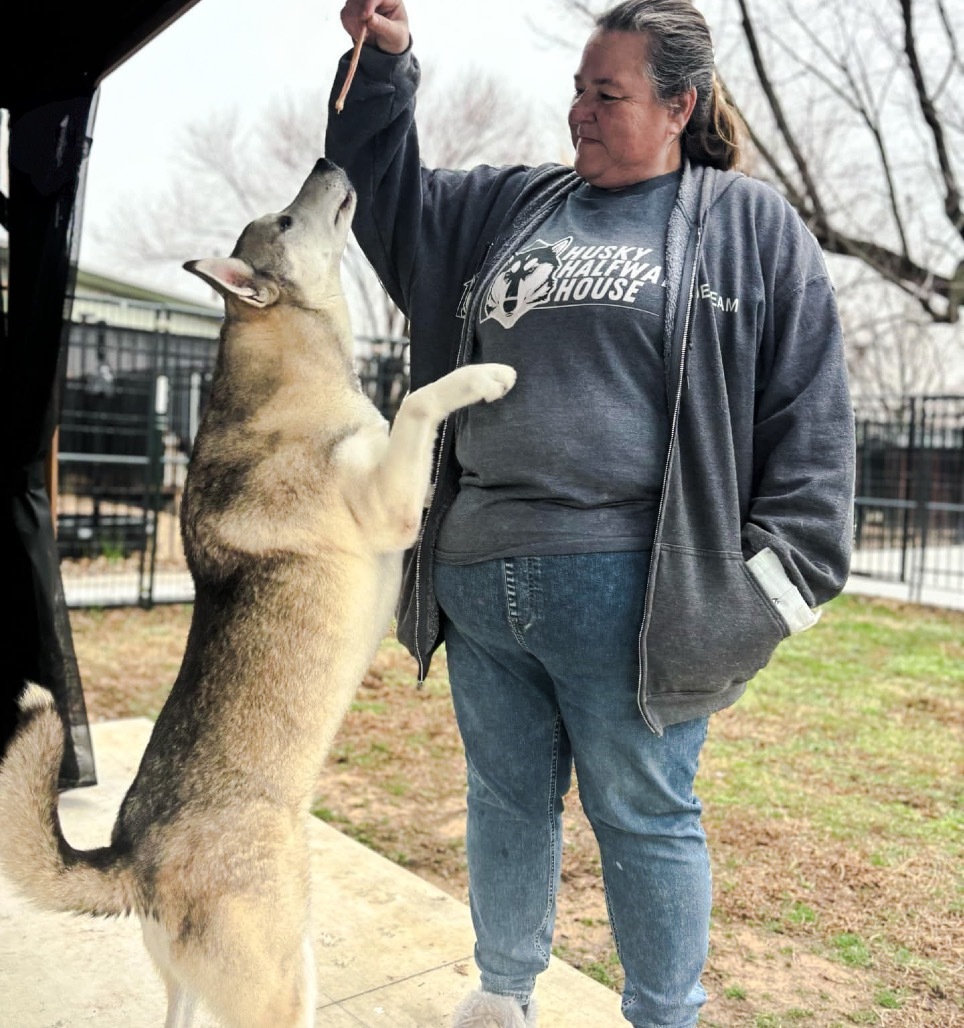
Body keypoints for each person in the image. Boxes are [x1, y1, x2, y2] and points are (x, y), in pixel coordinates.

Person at [326, 2, 856, 1025]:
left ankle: (662, 1014)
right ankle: (501, 994)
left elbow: (809, 415)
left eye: (604, 95)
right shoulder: (512, 207)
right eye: (575, 89)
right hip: (481, 583)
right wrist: (384, 63)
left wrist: (759, 598)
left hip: (642, 599)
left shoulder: (743, 225)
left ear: (676, 106)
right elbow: (383, 199)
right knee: (503, 802)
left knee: (644, 816)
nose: (577, 112)